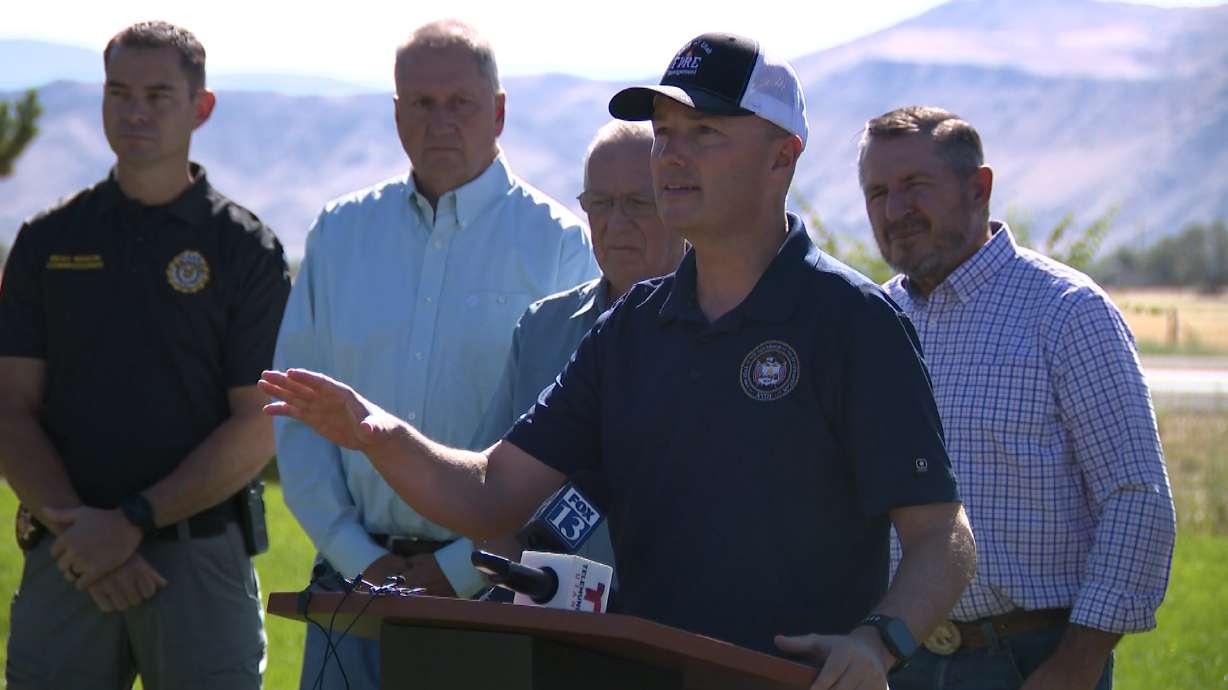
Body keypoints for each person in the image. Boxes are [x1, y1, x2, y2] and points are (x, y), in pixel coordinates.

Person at [264, 34, 976, 690]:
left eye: (705, 134)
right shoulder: (631, 328)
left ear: (782, 155)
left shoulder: (851, 322)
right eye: (665, 135)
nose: (672, 155)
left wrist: (876, 642)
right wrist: (374, 432)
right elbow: (492, 492)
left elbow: (942, 535)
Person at [272, 18, 598, 690]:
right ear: (396, 112)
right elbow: (295, 414)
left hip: (494, 594)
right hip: (349, 592)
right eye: (420, 103)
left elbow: (572, 445)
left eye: (461, 104)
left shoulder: (560, 245)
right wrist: (357, 557)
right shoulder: (337, 236)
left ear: (500, 112)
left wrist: (458, 568)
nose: (439, 122)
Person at [0, 21, 289, 690]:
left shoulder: (245, 250)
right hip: (64, 551)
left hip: (196, 560)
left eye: (159, 95)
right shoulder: (48, 240)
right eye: (119, 92)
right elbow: (11, 411)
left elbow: (259, 422)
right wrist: (86, 536)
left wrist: (131, 524)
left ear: (202, 106)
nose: (135, 111)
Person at [857, 106, 1176, 690]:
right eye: (877, 192)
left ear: (978, 188)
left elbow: (1138, 499)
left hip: (1030, 661)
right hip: (894, 660)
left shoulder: (1066, 312)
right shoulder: (871, 320)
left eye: (915, 187)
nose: (895, 210)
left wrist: (1076, 665)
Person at [471, 120, 686, 572]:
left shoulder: (723, 328)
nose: (616, 222)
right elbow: (487, 487)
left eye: (637, 203)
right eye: (601, 204)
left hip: (675, 630)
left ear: (677, 203)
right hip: (551, 621)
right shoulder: (541, 329)